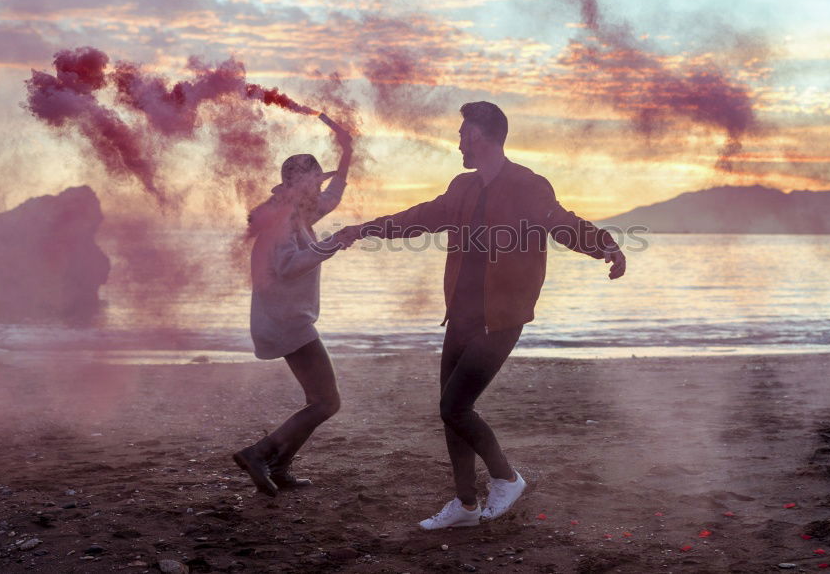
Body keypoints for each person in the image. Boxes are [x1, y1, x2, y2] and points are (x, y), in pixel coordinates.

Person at [334, 101, 625, 529]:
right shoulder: (461, 188)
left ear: (480, 136)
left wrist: (605, 245)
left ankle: (506, 478)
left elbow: (561, 222)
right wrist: (364, 229)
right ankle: (466, 504)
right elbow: (420, 218)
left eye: (461, 134)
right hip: (460, 315)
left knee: (454, 406)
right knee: (450, 409)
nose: (457, 144)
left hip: (501, 318)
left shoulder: (527, 184)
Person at [233, 127, 354, 497]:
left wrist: (347, 152)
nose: (320, 190)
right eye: (315, 183)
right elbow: (287, 266)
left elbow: (332, 197)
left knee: (317, 400)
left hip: (286, 320)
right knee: (326, 401)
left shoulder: (297, 213)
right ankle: (260, 454)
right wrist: (332, 244)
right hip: (286, 322)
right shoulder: (283, 219)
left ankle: (280, 466)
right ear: (301, 184)